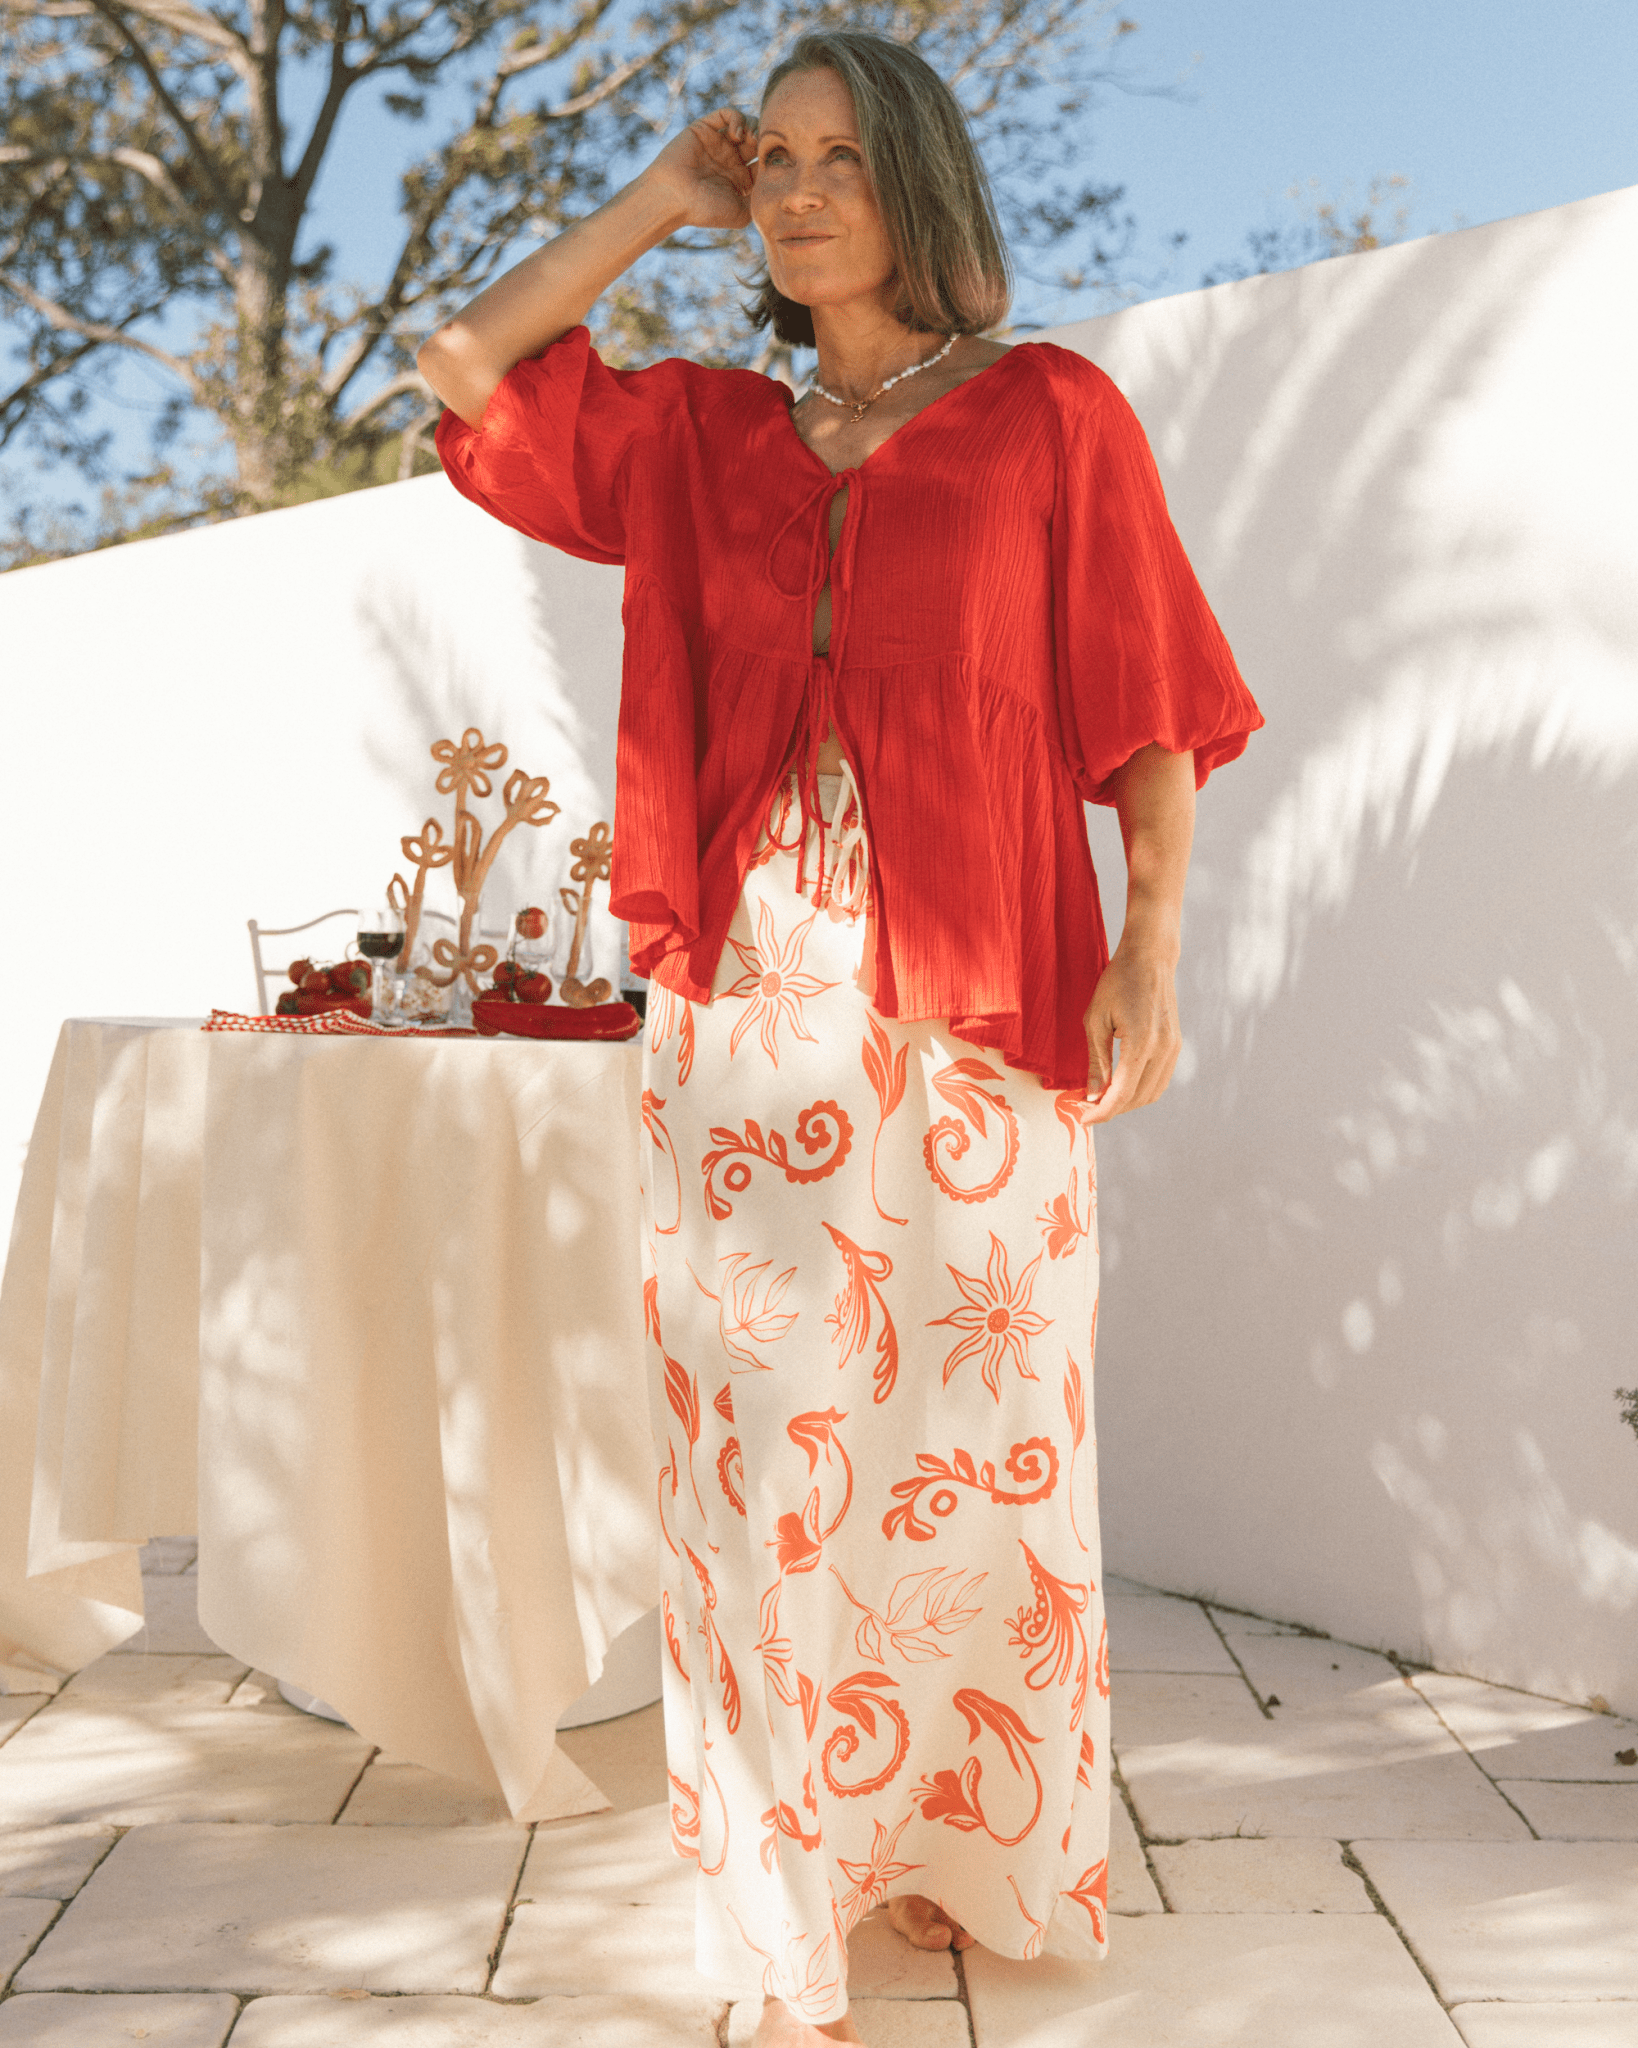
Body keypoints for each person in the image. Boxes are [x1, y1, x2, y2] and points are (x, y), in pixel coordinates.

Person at [418, 28, 1261, 2046]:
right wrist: (660, 194)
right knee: (761, 1452)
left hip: (986, 993)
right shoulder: (704, 433)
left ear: (920, 184)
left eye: (839, 160)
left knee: (976, 1438)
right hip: (746, 1005)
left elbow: (1146, 698)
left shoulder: (1049, 414)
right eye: (773, 161)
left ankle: (961, 1849)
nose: (797, 192)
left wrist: (1152, 944)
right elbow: (464, 368)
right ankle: (778, 1903)